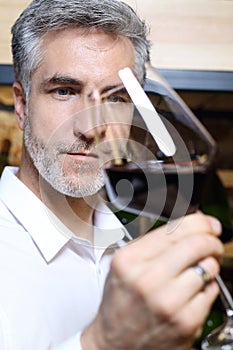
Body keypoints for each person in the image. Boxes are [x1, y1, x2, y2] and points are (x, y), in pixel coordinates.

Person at [0, 0, 224, 349]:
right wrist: (104, 342)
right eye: (64, 91)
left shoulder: (140, 236)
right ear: (22, 104)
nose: (90, 128)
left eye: (116, 98)